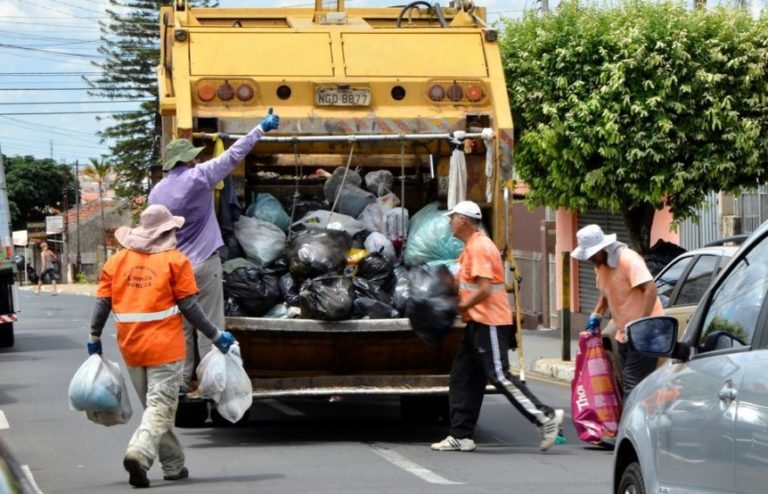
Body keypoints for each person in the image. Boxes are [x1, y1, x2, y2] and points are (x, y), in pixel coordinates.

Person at [86, 204, 238, 488]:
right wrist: (216, 335)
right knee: (161, 407)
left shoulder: (116, 262)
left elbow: (102, 304)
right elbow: (191, 307)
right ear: (167, 231)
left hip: (131, 348)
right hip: (165, 350)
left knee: (156, 409)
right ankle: (139, 453)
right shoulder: (175, 261)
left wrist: (93, 337)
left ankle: (173, 465)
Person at [149, 109, 279, 392]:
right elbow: (233, 155)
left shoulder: (156, 192)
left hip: (173, 267)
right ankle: (211, 383)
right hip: (204, 264)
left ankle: (183, 381)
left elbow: (153, 231)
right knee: (209, 326)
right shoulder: (200, 177)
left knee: (182, 327)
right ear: (188, 160)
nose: (198, 158)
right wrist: (260, 128)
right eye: (194, 155)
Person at [431, 201, 564, 453]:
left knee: (500, 375)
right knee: (463, 378)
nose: (450, 222)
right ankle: (461, 435)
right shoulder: (471, 247)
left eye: (452, 218)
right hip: (476, 323)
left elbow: (482, 289)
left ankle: (545, 417)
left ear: (463, 220)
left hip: (489, 322)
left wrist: (457, 308)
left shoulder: (480, 247)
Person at [571, 224, 663, 398]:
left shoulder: (628, 259)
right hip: (625, 332)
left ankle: (629, 424)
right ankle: (643, 419)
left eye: (591, 254)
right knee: (631, 381)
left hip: (648, 330)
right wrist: (596, 316)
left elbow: (650, 289)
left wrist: (640, 324)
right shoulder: (599, 266)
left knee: (632, 380)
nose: (589, 258)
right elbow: (607, 292)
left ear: (602, 248)